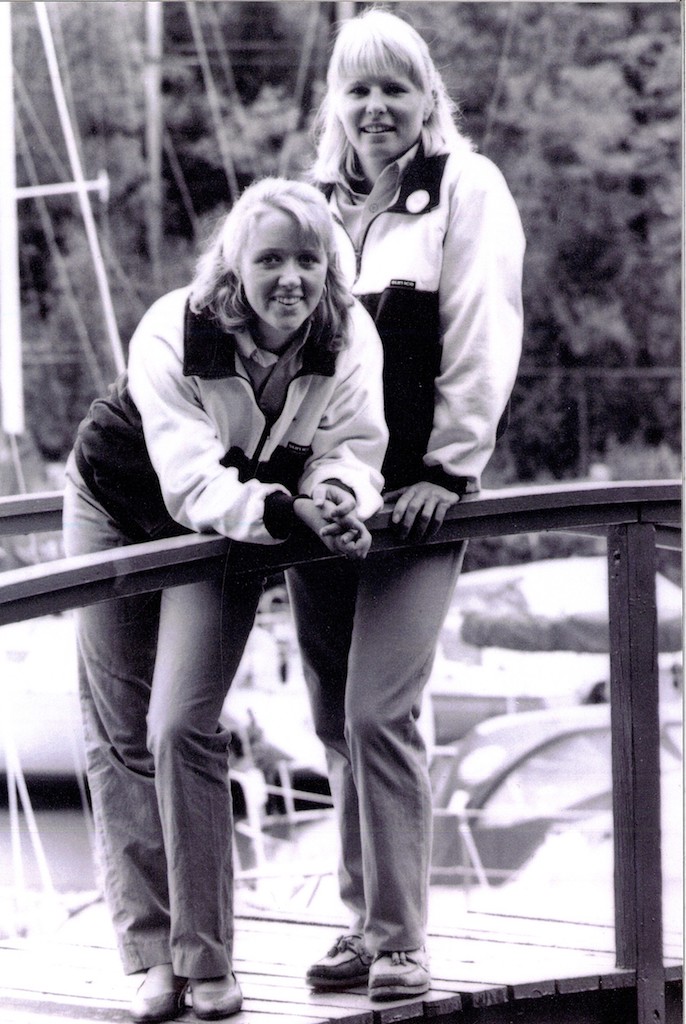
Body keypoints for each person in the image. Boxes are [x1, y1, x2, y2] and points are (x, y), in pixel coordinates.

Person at [62, 177, 388, 1024]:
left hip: (232, 529)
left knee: (181, 725)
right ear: (232, 266)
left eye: (308, 259)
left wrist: (342, 494)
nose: (290, 276)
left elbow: (351, 444)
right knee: (121, 734)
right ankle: (150, 957)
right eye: (269, 258)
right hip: (119, 501)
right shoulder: (175, 328)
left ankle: (207, 960)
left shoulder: (348, 339)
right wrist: (291, 511)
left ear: (331, 269)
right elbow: (191, 476)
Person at [286, 8, 525, 1001]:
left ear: (428, 99)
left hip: (418, 498)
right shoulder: (309, 208)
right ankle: (360, 920)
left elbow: (482, 330)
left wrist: (449, 469)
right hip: (318, 503)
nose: (376, 107)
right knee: (333, 719)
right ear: (335, 106)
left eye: (396, 87)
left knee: (381, 710)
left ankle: (399, 939)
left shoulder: (463, 190)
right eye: (358, 89)